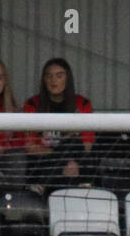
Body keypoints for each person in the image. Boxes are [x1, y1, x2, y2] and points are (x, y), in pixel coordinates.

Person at [23, 58, 94, 190]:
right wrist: (63, 159)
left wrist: (68, 159)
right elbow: (30, 147)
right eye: (49, 76)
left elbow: (87, 145)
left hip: (75, 161)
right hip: (45, 162)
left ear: (68, 78)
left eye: (59, 76)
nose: (53, 80)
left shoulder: (82, 104)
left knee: (75, 144)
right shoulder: (32, 104)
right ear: (44, 80)